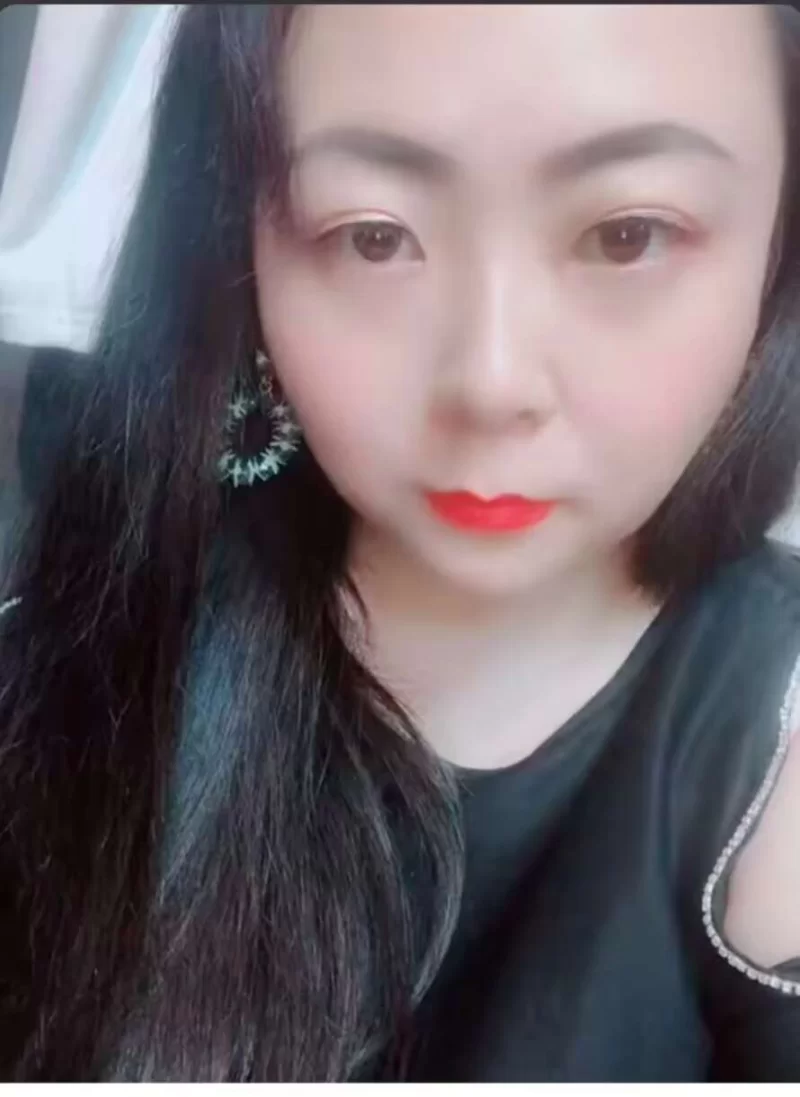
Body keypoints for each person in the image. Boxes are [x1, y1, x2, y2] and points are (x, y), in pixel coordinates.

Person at [0, 2, 800, 1082]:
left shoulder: (775, 742)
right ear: (240, 247)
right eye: (373, 236)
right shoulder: (63, 668)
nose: (491, 381)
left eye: (626, 234)